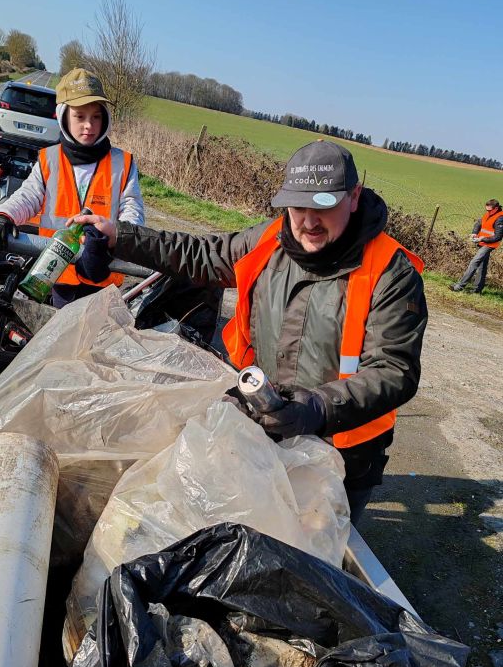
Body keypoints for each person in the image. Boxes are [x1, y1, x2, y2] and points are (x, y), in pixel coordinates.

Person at [71, 140, 428, 525]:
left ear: (354, 196)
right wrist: (119, 236)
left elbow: (394, 370)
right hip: (263, 431)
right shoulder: (269, 241)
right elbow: (203, 254)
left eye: (323, 206)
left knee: (320, 557)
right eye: (297, 207)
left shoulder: (391, 272)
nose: (308, 221)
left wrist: (317, 407)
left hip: (344, 457)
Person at [0, 68, 144, 307]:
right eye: (80, 116)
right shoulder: (49, 159)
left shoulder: (123, 162)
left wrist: (112, 238)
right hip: (58, 275)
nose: (89, 125)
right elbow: (29, 196)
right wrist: (3, 215)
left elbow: (133, 210)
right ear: (64, 116)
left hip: (103, 277)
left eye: (96, 116)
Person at [449, 199, 502, 295]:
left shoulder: (500, 218)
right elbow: (479, 223)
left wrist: (482, 239)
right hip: (482, 243)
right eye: (486, 210)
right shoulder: (488, 214)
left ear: (496, 208)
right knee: (482, 266)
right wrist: (474, 233)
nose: (487, 211)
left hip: (489, 245)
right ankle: (477, 290)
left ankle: (460, 286)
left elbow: (498, 237)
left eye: (489, 210)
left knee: (474, 262)